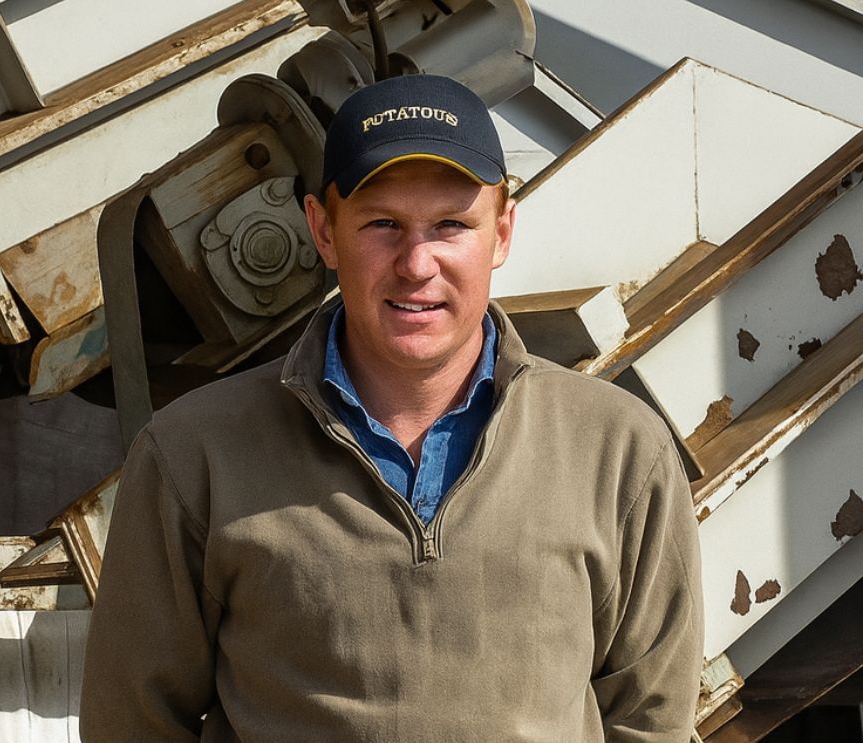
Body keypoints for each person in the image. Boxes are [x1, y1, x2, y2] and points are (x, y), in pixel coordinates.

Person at [80, 74, 703, 741]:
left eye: (450, 225)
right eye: (383, 224)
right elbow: (133, 724)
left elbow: (653, 724)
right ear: (323, 229)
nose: (416, 263)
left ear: (502, 231)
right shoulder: (193, 453)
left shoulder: (618, 450)